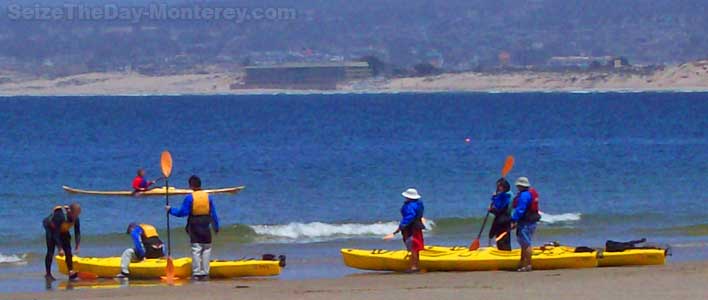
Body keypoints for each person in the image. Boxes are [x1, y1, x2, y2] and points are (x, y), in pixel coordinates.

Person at [166, 175, 219, 279]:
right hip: (206, 224)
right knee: (206, 248)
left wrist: (170, 210)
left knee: (196, 248)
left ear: (191, 185)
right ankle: (205, 272)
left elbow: (183, 212)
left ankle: (197, 272)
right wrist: (216, 227)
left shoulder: (190, 197)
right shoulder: (208, 197)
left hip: (195, 224)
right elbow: (213, 214)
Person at [385, 188, 425, 273]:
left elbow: (409, 217)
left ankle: (413, 266)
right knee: (416, 248)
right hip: (417, 226)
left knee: (413, 247)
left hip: (411, 228)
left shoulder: (409, 206)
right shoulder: (419, 203)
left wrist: (400, 227)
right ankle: (416, 265)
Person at [42, 202, 81, 281]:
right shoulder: (60, 216)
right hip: (51, 229)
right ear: (70, 211)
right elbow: (56, 234)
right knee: (50, 250)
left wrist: (77, 244)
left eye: (77, 214)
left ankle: (71, 272)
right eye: (74, 214)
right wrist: (59, 248)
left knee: (68, 250)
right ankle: (48, 274)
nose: (75, 217)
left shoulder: (76, 218)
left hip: (62, 230)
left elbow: (77, 232)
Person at [510, 177, 541, 272]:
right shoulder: (530, 193)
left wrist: (513, 220)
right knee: (524, 243)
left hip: (525, 223)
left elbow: (520, 210)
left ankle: (528, 265)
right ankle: (522, 263)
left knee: (526, 244)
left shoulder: (524, 196)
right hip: (531, 222)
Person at [488, 178, 513, 250]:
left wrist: (492, 209)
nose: (497, 188)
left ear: (503, 187)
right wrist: (494, 198)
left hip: (503, 220)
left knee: (502, 239)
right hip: (502, 220)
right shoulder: (503, 196)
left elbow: (499, 208)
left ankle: (505, 254)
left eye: (499, 186)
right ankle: (502, 250)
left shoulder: (505, 196)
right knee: (500, 239)